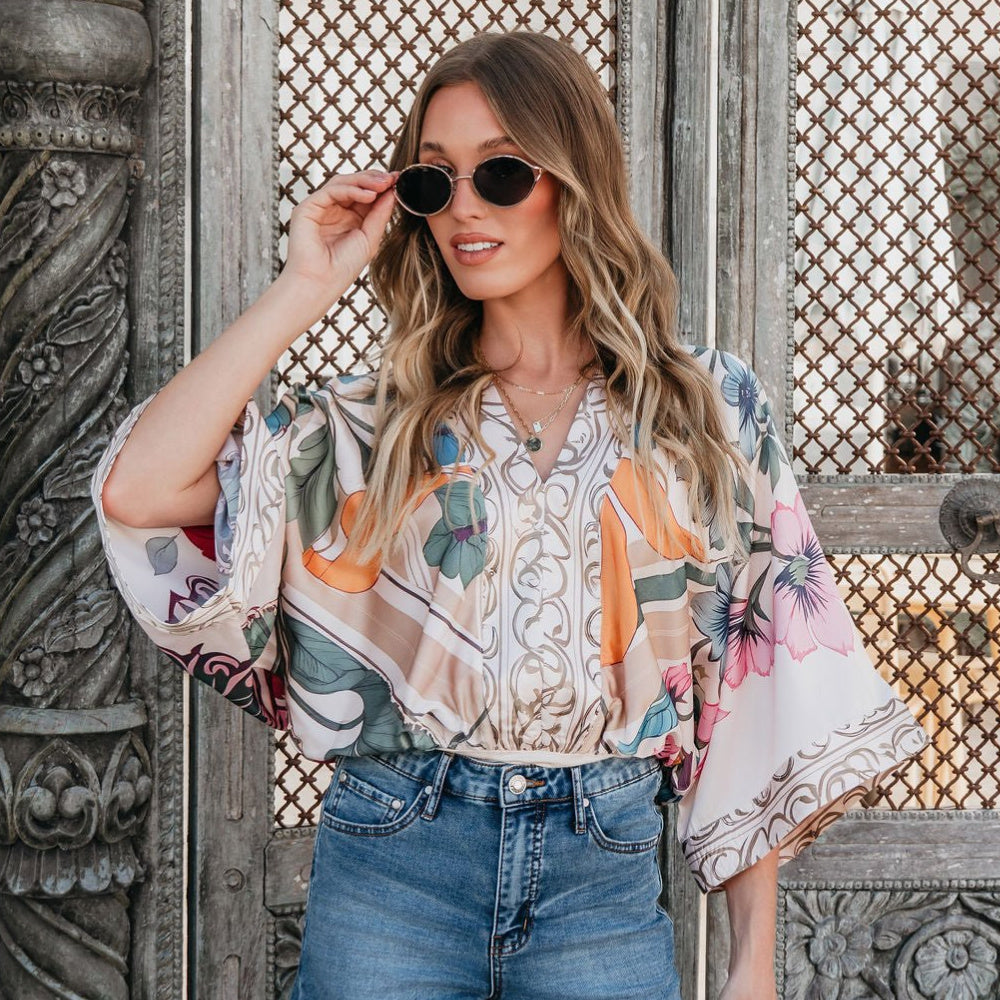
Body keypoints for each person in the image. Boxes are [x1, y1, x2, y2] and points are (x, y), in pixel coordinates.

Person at [93, 30, 926, 1000]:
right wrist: (305, 285)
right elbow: (142, 492)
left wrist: (751, 962)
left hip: (601, 877)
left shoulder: (703, 408)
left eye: (499, 173)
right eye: (434, 182)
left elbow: (746, 678)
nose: (464, 210)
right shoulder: (382, 422)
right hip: (396, 862)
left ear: (572, 179)